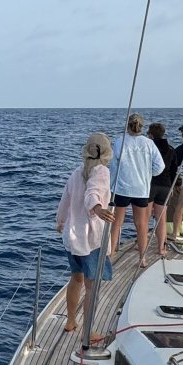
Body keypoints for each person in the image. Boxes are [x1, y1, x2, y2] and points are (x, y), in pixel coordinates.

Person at [56, 132, 116, 334]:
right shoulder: (101, 172)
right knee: (91, 286)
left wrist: (60, 221)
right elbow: (93, 193)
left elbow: (65, 199)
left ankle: (70, 321)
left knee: (76, 279)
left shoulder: (76, 172)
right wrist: (98, 209)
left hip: (72, 238)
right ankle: (88, 332)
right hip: (90, 240)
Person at [108, 113, 165, 266]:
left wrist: (110, 186)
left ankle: (111, 255)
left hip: (121, 188)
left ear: (128, 125)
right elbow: (160, 166)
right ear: (142, 127)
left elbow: (114, 166)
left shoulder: (120, 141)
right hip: (141, 189)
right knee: (141, 225)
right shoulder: (149, 144)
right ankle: (142, 258)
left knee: (116, 224)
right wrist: (148, 174)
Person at [147, 122, 178, 258]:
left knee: (145, 217)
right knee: (161, 218)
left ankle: (140, 244)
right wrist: (172, 186)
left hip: (150, 185)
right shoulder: (171, 149)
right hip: (166, 186)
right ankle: (161, 248)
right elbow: (174, 170)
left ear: (150, 134)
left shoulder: (149, 148)